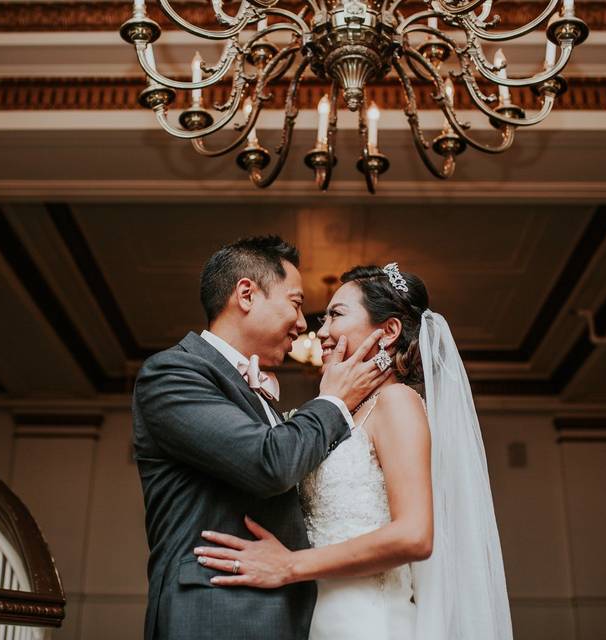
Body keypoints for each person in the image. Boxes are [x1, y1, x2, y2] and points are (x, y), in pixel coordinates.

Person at [194, 263, 514, 640]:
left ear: (389, 330)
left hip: (371, 623)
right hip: (316, 622)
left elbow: (415, 535)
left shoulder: (396, 403)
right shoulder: (339, 416)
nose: (321, 331)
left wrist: (291, 565)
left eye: (336, 315)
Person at [132, 236, 391, 640]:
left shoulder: (263, 392)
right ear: (247, 294)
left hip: (289, 615)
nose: (305, 324)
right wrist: (334, 400)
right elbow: (268, 464)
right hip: (215, 617)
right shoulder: (172, 374)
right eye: (296, 302)